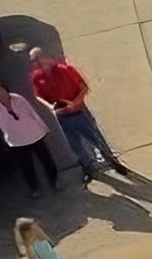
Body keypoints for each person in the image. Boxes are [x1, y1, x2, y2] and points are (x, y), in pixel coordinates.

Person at [28, 48, 128, 185]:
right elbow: (38, 96)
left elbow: (84, 88)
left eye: (38, 58)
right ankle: (87, 168)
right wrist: (51, 107)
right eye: (34, 61)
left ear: (47, 57)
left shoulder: (65, 70)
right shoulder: (37, 78)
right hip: (62, 116)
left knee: (95, 138)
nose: (37, 63)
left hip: (79, 112)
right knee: (75, 145)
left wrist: (74, 102)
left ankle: (112, 162)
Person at [0, 80, 59, 197]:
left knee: (46, 160)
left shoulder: (17, 98)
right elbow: (1, 123)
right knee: (27, 166)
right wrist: (6, 107)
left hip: (33, 134)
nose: (0, 93)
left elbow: (32, 113)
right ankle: (35, 188)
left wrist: (43, 128)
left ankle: (54, 182)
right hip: (17, 141)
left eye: (0, 89)